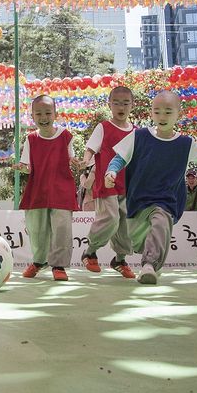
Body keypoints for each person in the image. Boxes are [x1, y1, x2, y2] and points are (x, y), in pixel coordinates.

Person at [104, 91, 197, 284]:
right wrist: (111, 171)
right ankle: (125, 258)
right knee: (132, 240)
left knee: (160, 222)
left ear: (179, 114)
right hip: (137, 201)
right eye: (157, 111)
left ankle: (149, 266)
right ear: (151, 113)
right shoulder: (139, 136)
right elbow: (119, 158)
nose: (162, 116)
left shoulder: (186, 144)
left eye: (168, 112)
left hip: (166, 201)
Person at [15, 95, 81, 282]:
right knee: (36, 229)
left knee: (62, 228)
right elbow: (27, 165)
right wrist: (22, 167)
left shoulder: (65, 136)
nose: (43, 117)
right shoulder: (31, 139)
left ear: (55, 114)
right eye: (39, 114)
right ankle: (39, 261)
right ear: (32, 116)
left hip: (62, 189)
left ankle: (58, 265)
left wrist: (75, 161)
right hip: (38, 189)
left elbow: (71, 157)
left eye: (47, 113)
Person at [79, 86, 137, 278]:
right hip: (107, 184)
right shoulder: (103, 127)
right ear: (109, 105)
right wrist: (86, 160)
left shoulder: (136, 132)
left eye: (125, 103)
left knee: (126, 225)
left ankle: (120, 260)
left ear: (132, 105)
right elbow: (91, 148)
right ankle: (90, 252)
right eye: (117, 103)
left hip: (128, 186)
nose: (121, 106)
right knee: (110, 219)